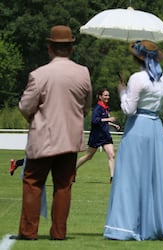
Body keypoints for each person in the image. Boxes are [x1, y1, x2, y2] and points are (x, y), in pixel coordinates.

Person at [10, 25, 92, 240]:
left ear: (50, 48)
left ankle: (28, 231)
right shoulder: (83, 73)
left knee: (33, 183)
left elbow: (25, 106)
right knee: (64, 185)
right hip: (70, 139)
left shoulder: (39, 75)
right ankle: (59, 232)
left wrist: (35, 119)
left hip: (43, 139)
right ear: (72, 48)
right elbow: (86, 106)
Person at [103, 40, 163, 242]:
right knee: (153, 177)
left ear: (138, 58)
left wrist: (122, 92)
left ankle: (124, 226)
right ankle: (151, 225)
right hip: (156, 128)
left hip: (138, 127)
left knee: (129, 176)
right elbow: (160, 109)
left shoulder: (137, 78)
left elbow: (129, 109)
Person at [75, 88, 120, 183]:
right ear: (100, 97)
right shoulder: (98, 108)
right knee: (88, 156)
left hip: (105, 136)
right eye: (105, 95)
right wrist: (108, 120)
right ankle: (72, 170)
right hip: (96, 136)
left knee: (111, 155)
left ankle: (112, 177)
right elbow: (95, 121)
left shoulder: (106, 108)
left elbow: (104, 121)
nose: (107, 97)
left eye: (108, 95)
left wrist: (113, 125)